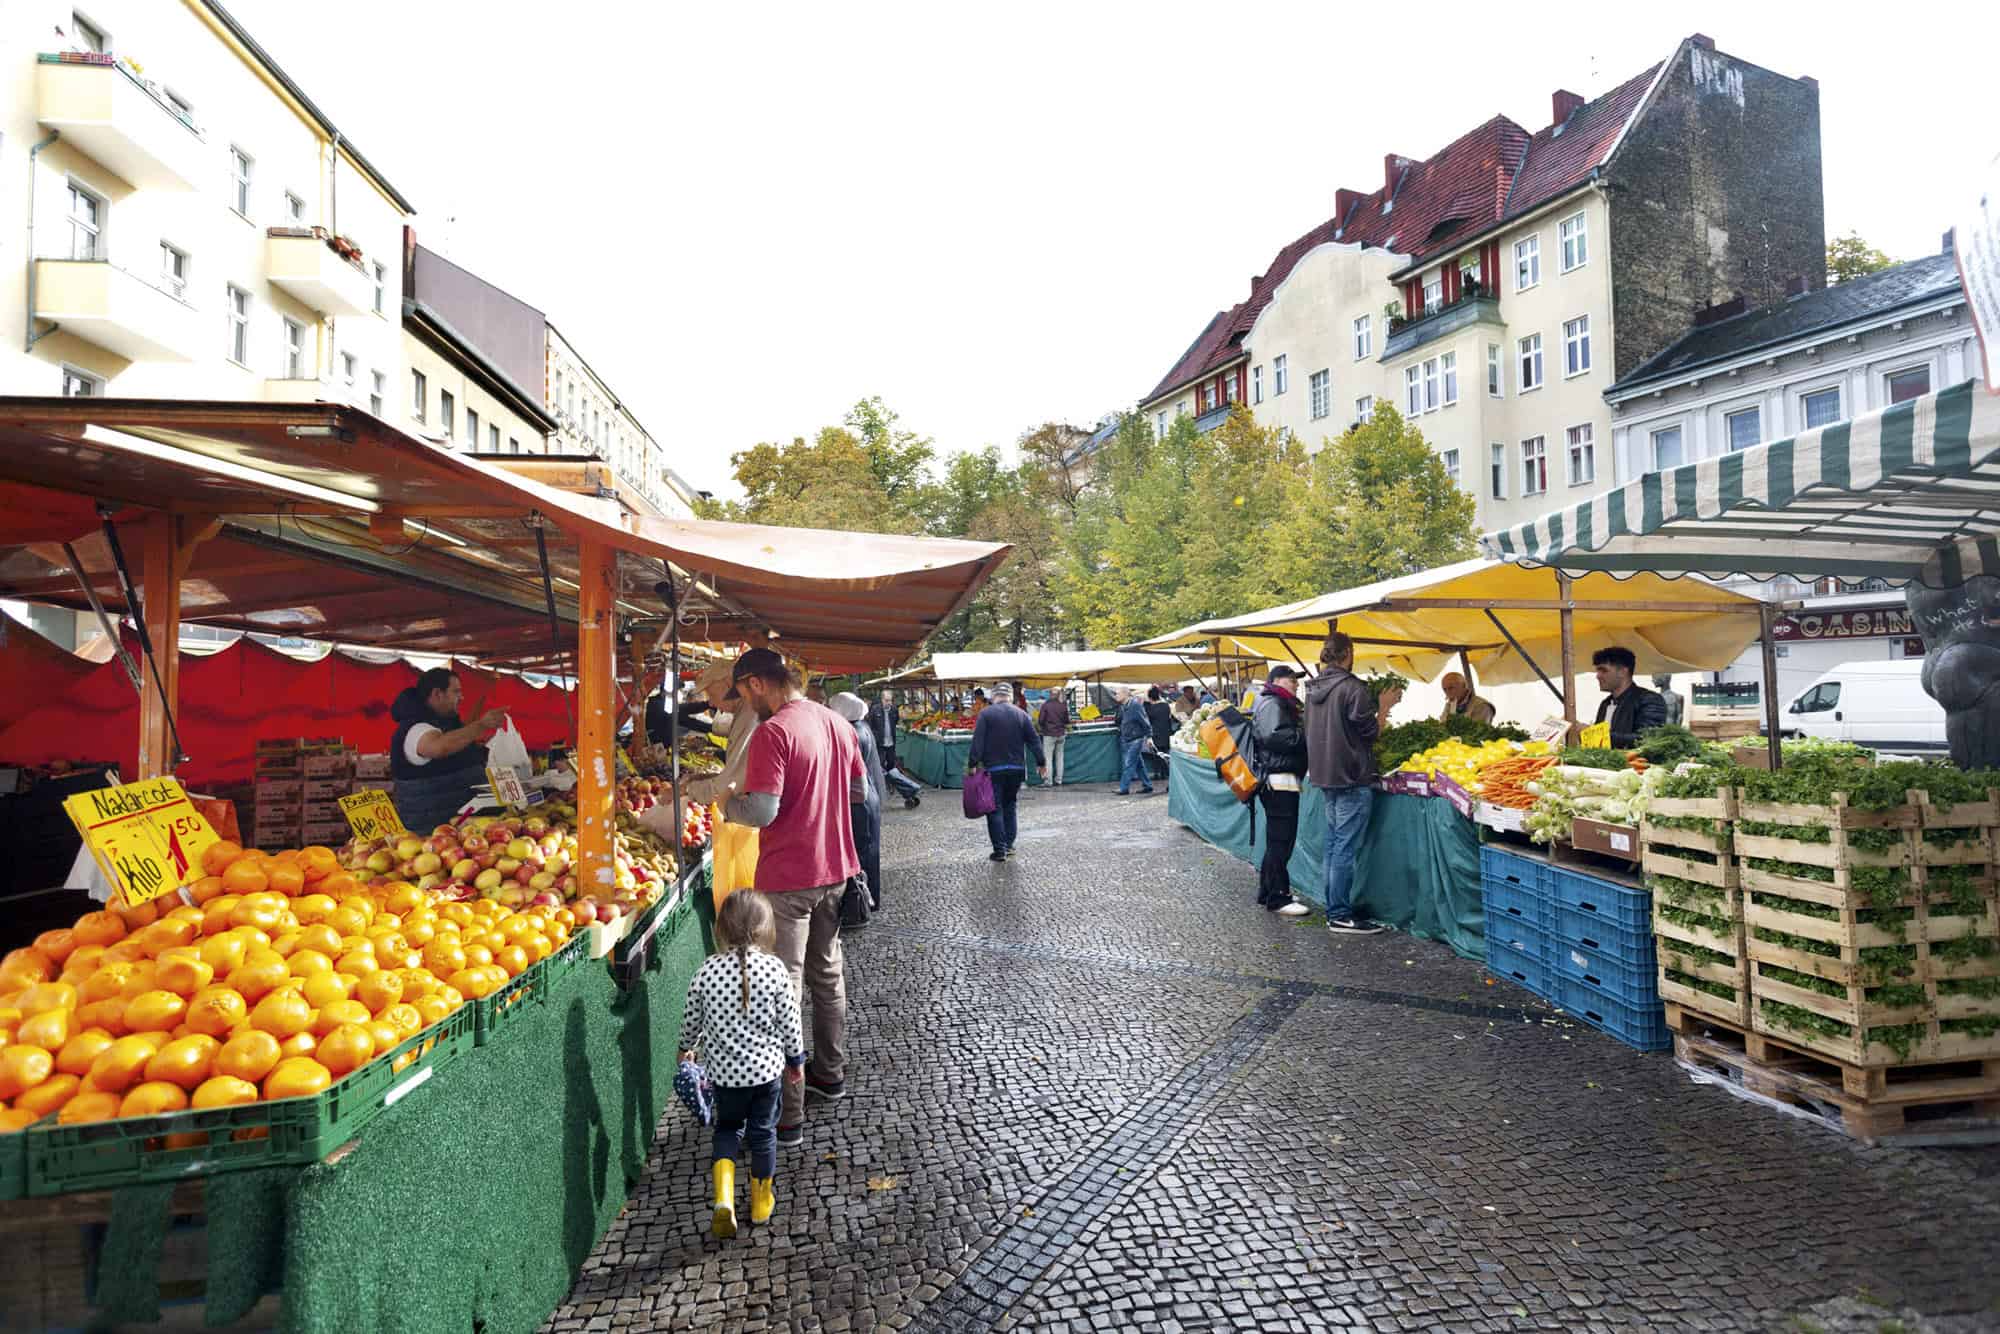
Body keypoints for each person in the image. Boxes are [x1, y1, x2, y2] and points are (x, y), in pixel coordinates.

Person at [722, 647, 865, 1147]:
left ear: (756, 683)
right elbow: (858, 795)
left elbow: (760, 812)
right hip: (837, 871)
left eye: (740, 693)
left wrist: (725, 802)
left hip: (788, 876)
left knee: (783, 986)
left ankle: (789, 1111)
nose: (743, 704)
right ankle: (831, 1072)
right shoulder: (838, 725)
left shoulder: (774, 731)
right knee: (828, 974)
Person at [678, 889, 804, 1238]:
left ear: (721, 928)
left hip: (724, 1078)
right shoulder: (776, 970)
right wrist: (796, 1060)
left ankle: (723, 1199)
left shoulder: (706, 971)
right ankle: (761, 1203)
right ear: (768, 929)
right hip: (766, 1076)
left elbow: (691, 1020)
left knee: (726, 1130)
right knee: (763, 1134)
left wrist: (685, 1049)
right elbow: (790, 1023)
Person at [1306, 632, 1402, 935]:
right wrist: (1384, 707)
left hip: (1325, 775)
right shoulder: (1352, 688)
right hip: (1351, 776)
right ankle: (1340, 915)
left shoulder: (1312, 688)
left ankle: (1334, 908)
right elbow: (1370, 732)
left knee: (1335, 845)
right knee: (1343, 848)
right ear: (1347, 653)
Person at [389, 667, 507, 834]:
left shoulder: (443, 722)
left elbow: (458, 739)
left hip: (458, 826)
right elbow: (439, 747)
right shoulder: (416, 727)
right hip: (431, 832)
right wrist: (482, 725)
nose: (462, 697)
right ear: (438, 694)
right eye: (456, 692)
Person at [1252, 666, 1312, 917]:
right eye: (1291, 680)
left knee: (1277, 839)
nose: (1296, 685)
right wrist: (1306, 733)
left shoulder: (1272, 702)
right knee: (1281, 841)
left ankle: (1267, 890)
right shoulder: (1274, 703)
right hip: (1279, 780)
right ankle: (1279, 897)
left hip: (1278, 779)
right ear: (1276, 681)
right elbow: (1276, 737)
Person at [967, 683, 1047, 861]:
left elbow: (977, 741)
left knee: (994, 808)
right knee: (1010, 806)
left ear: (995, 696)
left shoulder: (986, 714)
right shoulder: (1022, 715)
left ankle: (1000, 850)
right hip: (1017, 769)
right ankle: (1009, 846)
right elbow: (1034, 741)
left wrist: (972, 763)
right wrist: (1041, 762)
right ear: (1010, 696)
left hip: (993, 769)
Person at [682, 661, 761, 812]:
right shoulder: (744, 711)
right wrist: (701, 780)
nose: (711, 703)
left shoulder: (749, 714)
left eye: (711, 694)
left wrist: (688, 790)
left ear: (728, 683)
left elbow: (731, 782)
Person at [830, 692, 885, 909]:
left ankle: (862, 903)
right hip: (868, 799)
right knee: (868, 852)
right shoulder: (863, 728)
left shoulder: (852, 732)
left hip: (860, 802)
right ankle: (869, 901)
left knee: (862, 853)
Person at [1593, 647, 1669, 748]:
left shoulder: (1650, 700)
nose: (1597, 676)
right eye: (1597, 670)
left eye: (1603, 670)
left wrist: (1594, 734)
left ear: (1622, 672)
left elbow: (1646, 739)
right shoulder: (1605, 704)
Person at [868, 692, 922, 807]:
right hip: (880, 745)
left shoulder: (893, 710)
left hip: (891, 744)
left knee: (892, 769)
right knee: (881, 770)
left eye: (890, 700)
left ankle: (903, 790)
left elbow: (896, 721)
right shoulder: (875, 710)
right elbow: (870, 726)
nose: (889, 703)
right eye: (887, 700)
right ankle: (883, 792)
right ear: (882, 700)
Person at [1116, 687, 1155, 796]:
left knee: (1128, 763)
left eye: (1118, 693)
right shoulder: (1123, 706)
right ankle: (1148, 785)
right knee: (1138, 764)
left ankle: (1124, 788)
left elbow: (1145, 721)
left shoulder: (1135, 705)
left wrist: (1149, 736)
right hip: (1127, 738)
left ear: (1125, 694)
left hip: (1135, 739)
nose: (1116, 696)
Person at [1035, 686, 1070, 787]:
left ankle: (1048, 781)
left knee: (1048, 758)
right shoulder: (1063, 705)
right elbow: (1067, 720)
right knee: (1060, 757)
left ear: (1050, 694)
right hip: (1061, 734)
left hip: (1049, 734)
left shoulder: (1046, 705)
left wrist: (1044, 726)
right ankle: (1059, 780)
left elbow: (1040, 720)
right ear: (1058, 694)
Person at [1145, 686, 1175, 785]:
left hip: (1156, 734)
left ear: (1150, 697)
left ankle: (1161, 773)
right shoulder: (1166, 706)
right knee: (1166, 754)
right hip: (1167, 733)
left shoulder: (1149, 709)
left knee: (1158, 755)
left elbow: (1148, 722)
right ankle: (1167, 774)